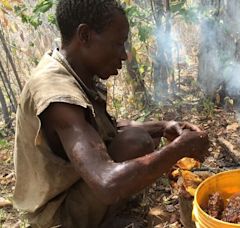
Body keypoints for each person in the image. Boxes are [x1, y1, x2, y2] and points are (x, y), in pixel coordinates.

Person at [13, 0, 209, 227]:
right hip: (55, 217)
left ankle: (104, 217)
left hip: (71, 191)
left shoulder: (71, 70)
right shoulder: (57, 94)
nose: (124, 55)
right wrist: (180, 148)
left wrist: (165, 126)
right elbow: (107, 182)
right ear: (84, 35)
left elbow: (103, 130)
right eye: (118, 43)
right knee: (136, 142)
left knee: (137, 139)